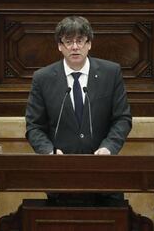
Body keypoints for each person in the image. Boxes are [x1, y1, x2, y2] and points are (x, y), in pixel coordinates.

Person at [25, 16, 132, 205]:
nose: (75, 47)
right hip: (61, 177)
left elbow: (122, 118)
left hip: (104, 174)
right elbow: (34, 126)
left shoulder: (110, 73)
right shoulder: (43, 78)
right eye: (68, 41)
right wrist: (49, 153)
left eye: (80, 40)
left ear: (89, 44)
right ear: (60, 46)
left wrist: (109, 147)